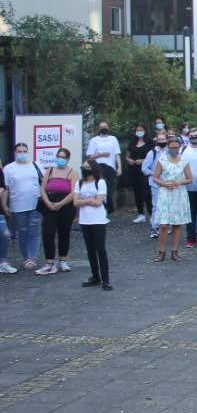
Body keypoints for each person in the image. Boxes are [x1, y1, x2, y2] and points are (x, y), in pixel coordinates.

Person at [35, 148, 79, 275]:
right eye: (59, 156)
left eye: (63, 157)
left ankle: (63, 260)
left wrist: (61, 203)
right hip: (49, 205)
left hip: (66, 206)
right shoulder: (49, 171)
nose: (60, 159)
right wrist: (48, 202)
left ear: (68, 159)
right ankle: (49, 263)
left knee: (64, 233)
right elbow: (43, 189)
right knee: (48, 233)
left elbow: (74, 192)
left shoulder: (73, 172)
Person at [69, 161, 111, 290]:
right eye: (84, 167)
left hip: (98, 220)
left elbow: (98, 202)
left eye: (88, 167)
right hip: (85, 220)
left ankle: (106, 280)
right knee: (90, 250)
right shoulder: (80, 183)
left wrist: (84, 200)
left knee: (100, 249)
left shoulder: (100, 182)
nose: (85, 169)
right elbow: (75, 202)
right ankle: (95, 276)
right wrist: (90, 200)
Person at [3, 143, 43, 271]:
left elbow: (44, 183)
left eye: (24, 151)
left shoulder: (36, 165)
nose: (22, 154)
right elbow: (6, 189)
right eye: (19, 151)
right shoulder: (8, 168)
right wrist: (4, 205)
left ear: (28, 152)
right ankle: (26, 257)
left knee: (35, 231)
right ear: (15, 153)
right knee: (22, 232)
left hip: (35, 204)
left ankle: (32, 258)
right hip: (18, 206)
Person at [152, 137, 192, 262]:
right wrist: (164, 183)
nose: (174, 149)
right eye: (172, 147)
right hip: (165, 194)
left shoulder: (184, 161)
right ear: (168, 148)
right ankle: (161, 251)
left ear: (179, 148)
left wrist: (179, 182)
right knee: (163, 224)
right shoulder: (162, 160)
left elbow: (189, 178)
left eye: (176, 147)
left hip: (178, 193)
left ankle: (175, 251)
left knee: (177, 224)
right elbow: (155, 177)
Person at [85, 121, 121, 213]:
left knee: (109, 189)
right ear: (99, 129)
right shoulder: (93, 140)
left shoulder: (113, 139)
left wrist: (119, 168)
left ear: (108, 128)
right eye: (101, 127)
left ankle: (108, 210)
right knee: (98, 188)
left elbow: (117, 155)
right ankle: (100, 209)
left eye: (105, 126)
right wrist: (100, 155)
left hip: (110, 167)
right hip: (97, 167)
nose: (103, 128)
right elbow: (90, 158)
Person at [126, 125, 152, 224]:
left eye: (141, 130)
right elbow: (127, 156)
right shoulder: (132, 142)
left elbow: (153, 156)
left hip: (145, 171)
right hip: (134, 170)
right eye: (137, 130)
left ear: (145, 131)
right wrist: (129, 160)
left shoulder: (150, 143)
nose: (139, 131)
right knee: (137, 192)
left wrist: (143, 160)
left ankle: (151, 214)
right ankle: (141, 214)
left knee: (147, 193)